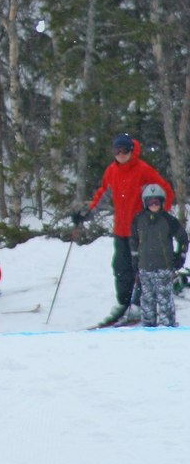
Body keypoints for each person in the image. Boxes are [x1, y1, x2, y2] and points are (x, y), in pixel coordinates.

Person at [75, 132, 174, 322]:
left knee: (142, 269)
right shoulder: (112, 171)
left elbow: (164, 191)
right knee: (120, 267)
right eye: (117, 150)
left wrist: (160, 216)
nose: (121, 154)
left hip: (142, 231)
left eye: (125, 150)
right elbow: (103, 194)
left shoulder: (143, 170)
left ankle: (138, 304)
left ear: (131, 150)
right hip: (121, 230)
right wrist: (87, 213)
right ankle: (123, 302)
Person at [129, 184, 187, 328]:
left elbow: (183, 238)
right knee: (147, 299)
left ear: (162, 203)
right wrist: (135, 258)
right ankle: (148, 326)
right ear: (145, 203)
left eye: (157, 202)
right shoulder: (138, 220)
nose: (153, 205)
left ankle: (168, 325)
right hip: (145, 267)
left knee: (164, 299)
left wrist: (180, 256)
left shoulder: (168, 220)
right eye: (150, 202)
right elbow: (133, 240)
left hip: (163, 267)